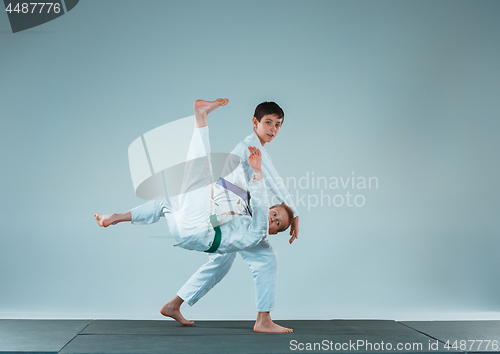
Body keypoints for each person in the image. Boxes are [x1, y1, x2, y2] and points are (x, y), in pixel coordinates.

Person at [156, 100, 300, 333]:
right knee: (266, 257)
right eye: (268, 123)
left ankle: (174, 304)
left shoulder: (254, 147)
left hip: (225, 212)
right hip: (225, 211)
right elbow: (273, 179)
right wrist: (295, 214)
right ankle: (263, 320)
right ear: (255, 122)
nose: (273, 129)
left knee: (222, 261)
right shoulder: (251, 147)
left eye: (278, 125)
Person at [95, 99, 292, 255]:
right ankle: (115, 218)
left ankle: (201, 117)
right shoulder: (245, 209)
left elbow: (259, 203)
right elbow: (244, 200)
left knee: (199, 173)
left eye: (276, 223)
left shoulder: (257, 232)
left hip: (200, 228)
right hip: (185, 232)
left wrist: (257, 171)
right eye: (275, 214)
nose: (272, 219)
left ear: (272, 232)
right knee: (166, 202)